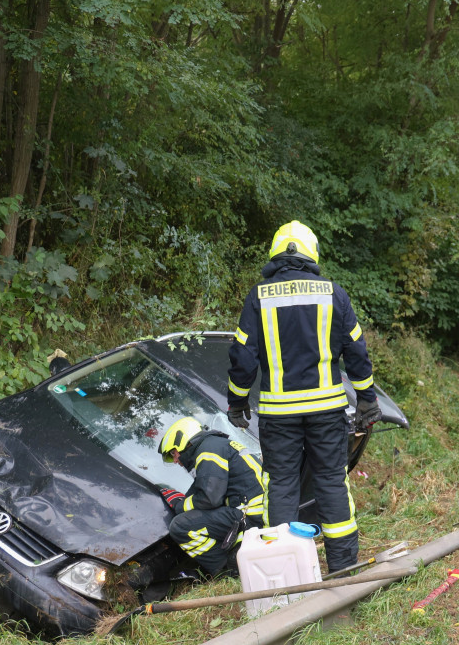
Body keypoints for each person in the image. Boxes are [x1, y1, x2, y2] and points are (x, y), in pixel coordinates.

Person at [227, 220, 382, 573]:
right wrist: (367, 399)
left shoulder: (259, 297)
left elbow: (242, 356)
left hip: (279, 414)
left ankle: (286, 573)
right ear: (311, 253)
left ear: (275, 254)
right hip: (327, 409)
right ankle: (342, 568)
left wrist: (237, 401)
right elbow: (356, 350)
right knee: (330, 480)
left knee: (281, 485)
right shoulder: (333, 293)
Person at [156, 417, 266, 576]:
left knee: (180, 527)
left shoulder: (207, 453)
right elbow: (205, 489)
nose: (175, 460)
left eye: (173, 453)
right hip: (261, 512)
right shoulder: (215, 445)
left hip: (251, 517)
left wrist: (179, 506)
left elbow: (210, 498)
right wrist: (184, 500)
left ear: (184, 442)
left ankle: (229, 570)